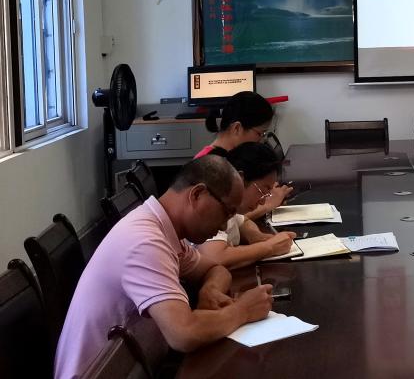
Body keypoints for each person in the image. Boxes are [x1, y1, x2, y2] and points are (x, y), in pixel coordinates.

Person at [55, 156, 273, 379]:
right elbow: (184, 333)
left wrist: (210, 290)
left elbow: (216, 270)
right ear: (197, 194)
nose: (225, 225)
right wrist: (243, 310)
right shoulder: (144, 241)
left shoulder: (165, 230)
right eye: (226, 212)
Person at [197, 142, 297, 269]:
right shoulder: (214, 204)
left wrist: (257, 237)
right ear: (240, 179)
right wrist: (269, 247)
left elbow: (243, 221)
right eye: (263, 191)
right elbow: (215, 257)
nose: (262, 202)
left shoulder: (232, 208)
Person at [196, 91, 291, 214]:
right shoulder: (209, 165)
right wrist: (267, 205)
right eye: (259, 134)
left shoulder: (235, 157)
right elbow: (224, 219)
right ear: (237, 128)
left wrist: (265, 190)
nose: (261, 140)